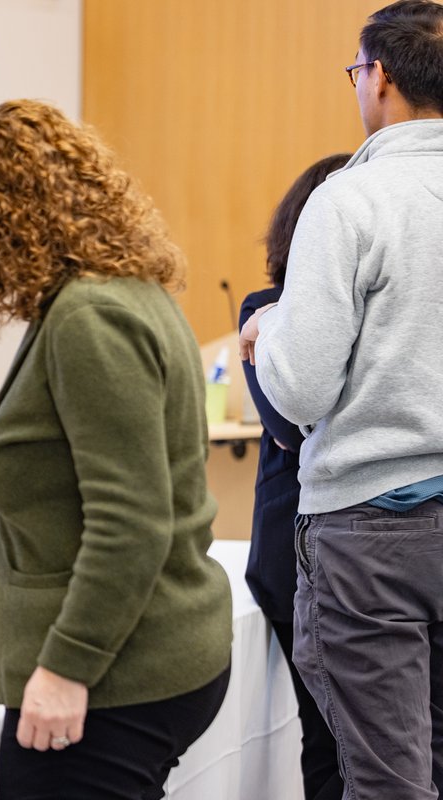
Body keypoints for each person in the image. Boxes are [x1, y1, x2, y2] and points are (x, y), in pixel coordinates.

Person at [0, 100, 233, 799]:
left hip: (116, 674)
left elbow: (130, 522)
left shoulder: (90, 317)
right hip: (139, 660)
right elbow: (54, 488)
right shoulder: (113, 295)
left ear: (3, 214)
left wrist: (67, 667)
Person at [239, 3, 443, 796]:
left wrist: (274, 330)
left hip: (373, 529)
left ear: (379, 78)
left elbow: (301, 390)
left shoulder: (352, 200)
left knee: (386, 779)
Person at [241, 153, 349, 800]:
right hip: (295, 545)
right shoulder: (269, 308)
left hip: (350, 539)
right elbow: (285, 424)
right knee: (328, 733)